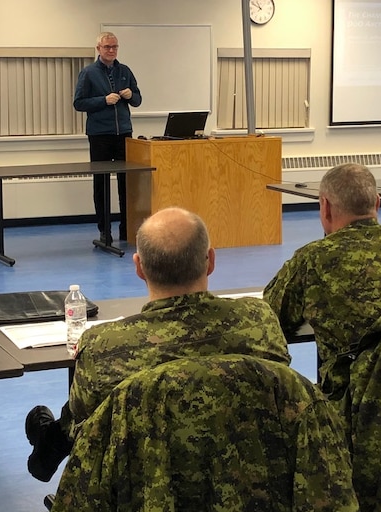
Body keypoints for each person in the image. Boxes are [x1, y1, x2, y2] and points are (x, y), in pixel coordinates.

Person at [24, 206, 289, 483]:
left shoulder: (105, 345)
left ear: (139, 267)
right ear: (210, 261)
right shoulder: (260, 321)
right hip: (251, 485)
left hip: (144, 495)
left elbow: (82, 427)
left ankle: (44, 449)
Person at [263, 162, 381, 396]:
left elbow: (272, 315)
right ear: (377, 202)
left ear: (325, 207)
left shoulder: (313, 258)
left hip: (349, 403)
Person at [73, 31, 141, 245]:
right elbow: (79, 103)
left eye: (114, 47)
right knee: (101, 183)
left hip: (124, 134)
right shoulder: (88, 73)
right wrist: (103, 100)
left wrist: (131, 96)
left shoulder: (125, 70)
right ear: (98, 49)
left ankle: (126, 228)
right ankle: (104, 231)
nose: (111, 50)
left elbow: (138, 100)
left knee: (126, 184)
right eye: (107, 47)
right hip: (99, 135)